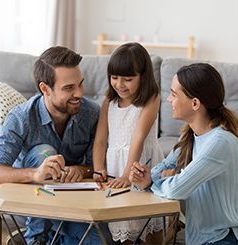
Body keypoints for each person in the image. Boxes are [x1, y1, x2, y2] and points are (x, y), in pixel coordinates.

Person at [0, 46, 102, 244]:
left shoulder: (91, 113)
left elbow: (96, 168)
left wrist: (81, 170)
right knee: (44, 153)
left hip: (72, 204)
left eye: (80, 85)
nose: (79, 93)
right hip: (34, 206)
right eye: (69, 88)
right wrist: (35, 174)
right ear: (45, 89)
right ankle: (36, 239)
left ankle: (50, 239)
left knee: (98, 240)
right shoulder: (20, 118)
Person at [130, 63, 238, 245]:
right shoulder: (191, 135)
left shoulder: (220, 142)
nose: (168, 100)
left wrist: (150, 182)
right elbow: (161, 168)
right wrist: (144, 177)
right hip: (200, 239)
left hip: (225, 238)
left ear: (195, 103)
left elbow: (176, 189)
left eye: (174, 94)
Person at [92, 42, 164, 243]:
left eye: (128, 79)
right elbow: (100, 140)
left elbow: (138, 136)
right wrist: (98, 169)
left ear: (143, 77)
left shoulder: (151, 97)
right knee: (124, 225)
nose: (120, 84)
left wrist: (127, 174)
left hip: (141, 164)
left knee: (150, 224)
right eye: (114, 78)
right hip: (116, 165)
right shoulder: (109, 101)